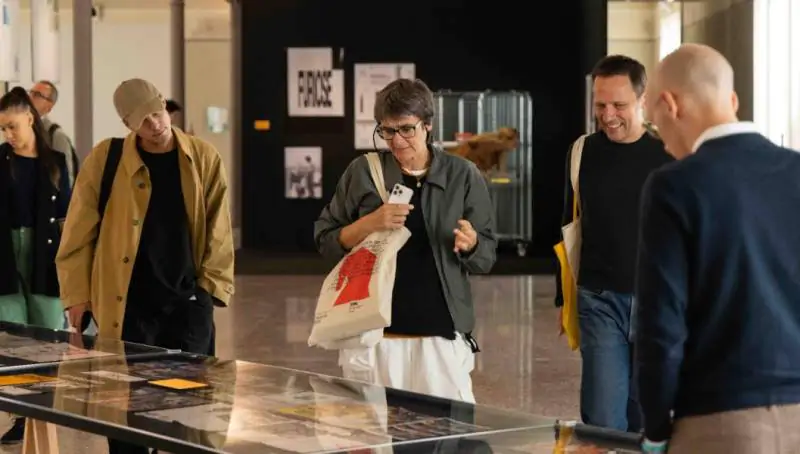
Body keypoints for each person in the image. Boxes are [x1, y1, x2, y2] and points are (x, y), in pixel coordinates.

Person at [55, 78, 235, 454]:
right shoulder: (106, 160)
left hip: (187, 302)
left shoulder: (203, 157)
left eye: (157, 113)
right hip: (126, 306)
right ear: (128, 125)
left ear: (165, 105)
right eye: (143, 121)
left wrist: (208, 291)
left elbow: (219, 229)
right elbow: (78, 233)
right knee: (125, 411)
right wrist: (77, 295)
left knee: (192, 411)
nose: (155, 125)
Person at [636, 43, 800, 454]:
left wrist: (655, 428)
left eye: (654, 123)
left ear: (669, 105)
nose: (663, 142)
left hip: (720, 420)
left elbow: (661, 326)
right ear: (733, 101)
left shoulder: (674, 185)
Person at [314, 78, 496, 403]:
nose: (396, 141)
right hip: (372, 336)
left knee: (448, 429)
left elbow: (486, 258)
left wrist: (472, 245)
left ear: (428, 125)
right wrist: (370, 223)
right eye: (387, 131)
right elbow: (325, 239)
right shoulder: (362, 172)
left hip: (440, 336)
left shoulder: (463, 175)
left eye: (407, 129)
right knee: (374, 431)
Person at [555, 55, 673, 432]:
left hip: (657, 303)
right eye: (600, 105)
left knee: (646, 419)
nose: (608, 116)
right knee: (604, 419)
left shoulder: (668, 153)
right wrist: (563, 298)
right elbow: (569, 223)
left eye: (618, 105)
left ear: (643, 100)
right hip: (599, 299)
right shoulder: (582, 151)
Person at [0, 87, 71, 444]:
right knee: (14, 339)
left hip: (46, 256)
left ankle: (44, 409)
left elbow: (67, 216)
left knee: (47, 335)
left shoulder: (55, 162)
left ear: (30, 118)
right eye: (3, 129)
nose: (8, 135)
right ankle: (21, 414)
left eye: (12, 126)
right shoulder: (0, 161)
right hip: (5, 256)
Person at [28, 80, 79, 188]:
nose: (30, 98)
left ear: (49, 106)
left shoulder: (56, 135)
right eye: (30, 93)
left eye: (37, 95)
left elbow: (67, 180)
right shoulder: (19, 131)